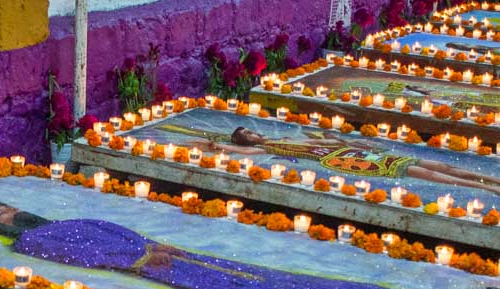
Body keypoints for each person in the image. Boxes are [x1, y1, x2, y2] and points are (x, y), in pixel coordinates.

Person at [0, 202, 397, 289]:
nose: (12, 214)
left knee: (240, 270)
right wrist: (140, 260)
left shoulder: (52, 222)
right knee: (228, 288)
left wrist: (153, 242)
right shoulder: (33, 239)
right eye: (1, 216)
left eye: (9, 208)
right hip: (147, 264)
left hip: (151, 249)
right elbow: (79, 256)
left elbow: (106, 228)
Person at [168, 124, 500, 195]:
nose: (254, 135)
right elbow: (239, 152)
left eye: (251, 133)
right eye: (247, 135)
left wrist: (333, 138)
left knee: (437, 166)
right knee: (418, 172)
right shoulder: (272, 149)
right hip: (350, 164)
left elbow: (318, 137)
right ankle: (483, 188)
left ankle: (492, 180)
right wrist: (214, 145)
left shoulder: (283, 138)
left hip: (350, 151)